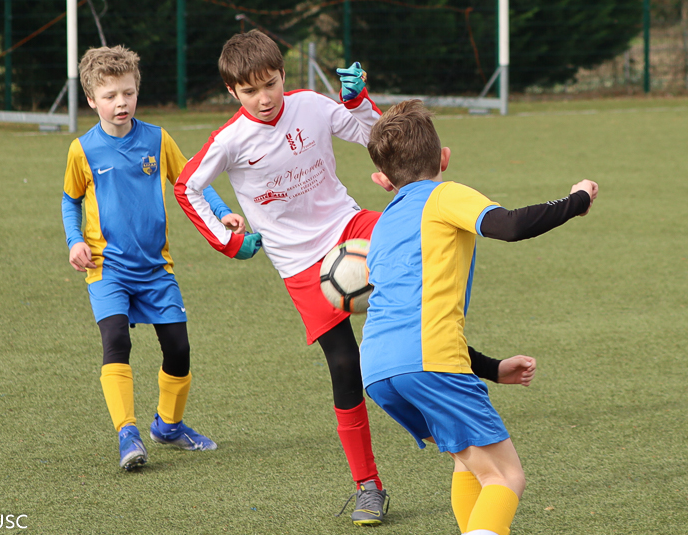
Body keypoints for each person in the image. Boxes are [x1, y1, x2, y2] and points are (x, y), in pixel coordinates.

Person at [174, 29, 391, 525]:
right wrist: (229, 241)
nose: (263, 98)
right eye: (249, 91)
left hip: (348, 226)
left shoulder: (312, 105)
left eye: (269, 84)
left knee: (411, 236)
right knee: (343, 364)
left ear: (282, 76)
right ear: (233, 93)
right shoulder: (229, 141)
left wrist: (357, 103)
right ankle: (368, 486)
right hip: (300, 264)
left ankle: (450, 366)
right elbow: (188, 186)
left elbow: (374, 138)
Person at [360, 100, 598, 535]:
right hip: (429, 361)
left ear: (382, 180)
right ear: (444, 158)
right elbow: (509, 225)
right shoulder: (444, 193)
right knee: (505, 476)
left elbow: (415, 318)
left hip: (378, 369)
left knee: (468, 464)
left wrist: (491, 369)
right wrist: (576, 200)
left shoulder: (383, 224)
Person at [61, 45, 254, 471]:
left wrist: (223, 215)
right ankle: (127, 433)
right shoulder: (83, 150)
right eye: (110, 96)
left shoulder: (157, 138)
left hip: (155, 269)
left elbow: (193, 180)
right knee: (117, 342)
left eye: (127, 93)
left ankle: (168, 425)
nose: (121, 103)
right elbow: (70, 199)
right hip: (106, 267)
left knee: (179, 348)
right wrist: (75, 239)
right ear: (91, 99)